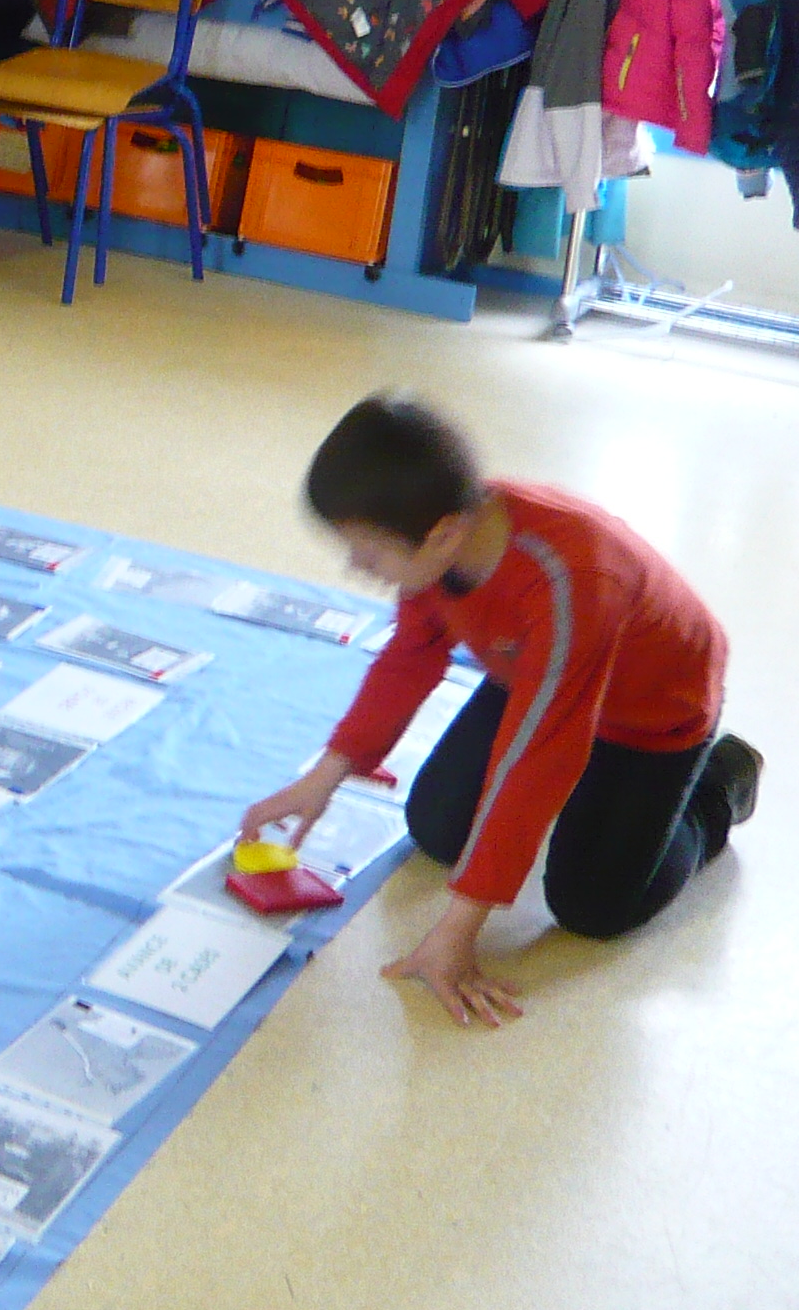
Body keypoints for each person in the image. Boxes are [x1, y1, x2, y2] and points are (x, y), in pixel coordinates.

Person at [241, 396, 765, 1028]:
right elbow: (409, 660)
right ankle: (591, 805)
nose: (357, 568)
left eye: (368, 554)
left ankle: (716, 786)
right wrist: (324, 778)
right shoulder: (442, 535)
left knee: (593, 906)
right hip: (534, 672)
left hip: (650, 716)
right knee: (436, 827)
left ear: (441, 534)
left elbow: (537, 756)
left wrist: (458, 932)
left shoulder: (571, 580)